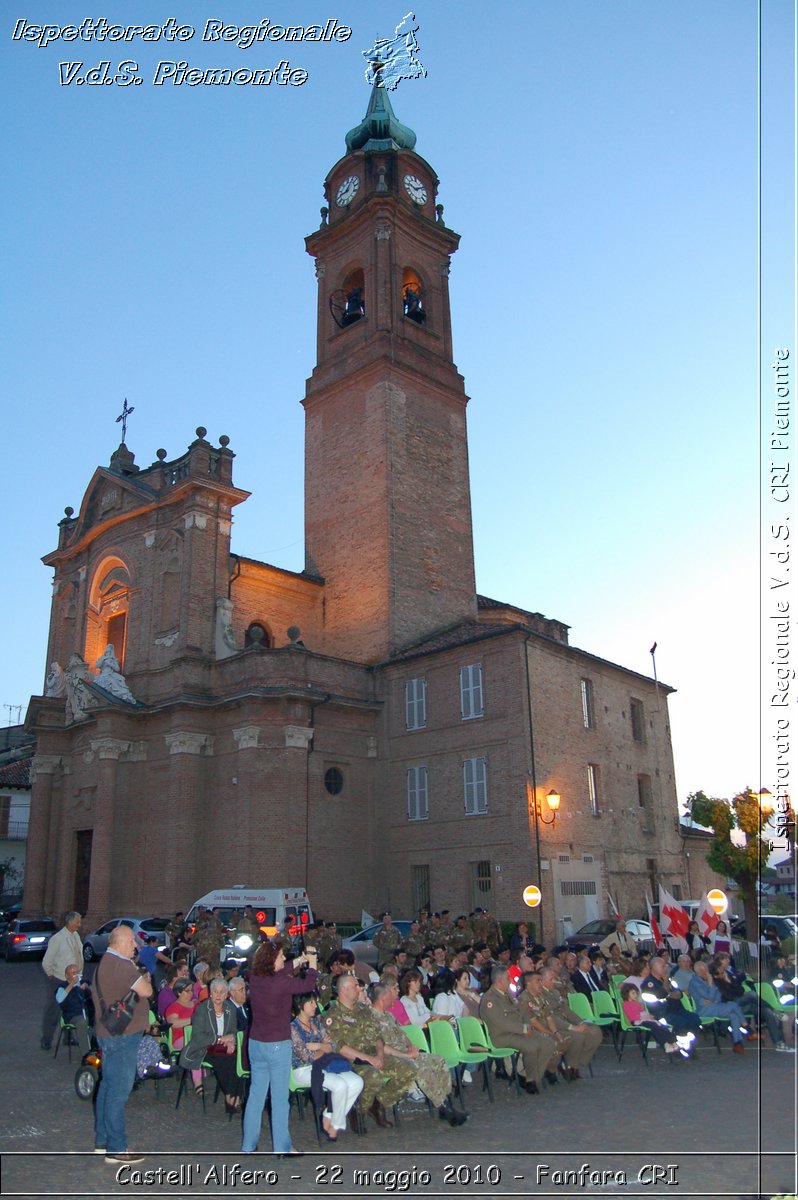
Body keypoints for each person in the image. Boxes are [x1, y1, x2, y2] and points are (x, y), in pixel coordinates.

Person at [241, 940, 318, 1156]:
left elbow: (280, 970)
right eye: (281, 956)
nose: (284, 959)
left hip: (256, 1044)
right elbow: (307, 985)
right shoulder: (282, 984)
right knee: (279, 1098)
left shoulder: (255, 978)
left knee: (256, 1095)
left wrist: (300, 960)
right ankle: (283, 1147)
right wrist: (312, 965)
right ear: (271, 960)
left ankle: (249, 1144)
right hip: (277, 1045)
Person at [322, 974, 417, 1128]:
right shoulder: (334, 1015)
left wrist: (379, 1056)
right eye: (355, 986)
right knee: (374, 1076)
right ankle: (358, 1110)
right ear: (344, 989)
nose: (359, 988)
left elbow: (378, 1037)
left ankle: (378, 1104)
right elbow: (340, 1048)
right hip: (352, 1062)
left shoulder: (363, 1010)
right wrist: (370, 1060)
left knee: (408, 1068)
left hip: (374, 1056)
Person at [92, 923, 152, 1164]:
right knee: (119, 1091)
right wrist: (140, 973)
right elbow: (146, 990)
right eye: (131, 942)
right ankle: (117, 1148)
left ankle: (102, 1140)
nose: (135, 946)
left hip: (108, 1032)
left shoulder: (104, 963)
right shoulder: (121, 965)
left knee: (107, 1087)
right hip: (123, 1036)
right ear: (119, 942)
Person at [369, 980, 467, 1125]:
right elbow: (381, 1047)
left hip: (405, 1053)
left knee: (439, 1061)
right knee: (421, 1068)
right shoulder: (370, 1019)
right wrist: (406, 1055)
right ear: (383, 997)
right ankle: (445, 1109)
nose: (394, 998)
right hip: (390, 1058)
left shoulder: (388, 1016)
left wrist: (411, 1046)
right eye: (391, 994)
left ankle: (445, 1102)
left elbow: (402, 1034)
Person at [290, 992, 364, 1140]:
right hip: (303, 1069)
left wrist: (318, 1046)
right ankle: (333, 1126)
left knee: (357, 1082)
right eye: (311, 1003)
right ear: (300, 1006)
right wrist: (324, 1048)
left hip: (326, 1065)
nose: (315, 1006)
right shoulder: (293, 1028)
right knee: (339, 1085)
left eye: (315, 1002)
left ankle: (329, 1116)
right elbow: (305, 1056)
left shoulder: (317, 1022)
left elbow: (332, 1046)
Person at [480, 965, 555, 1094]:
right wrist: (524, 1029)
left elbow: (523, 1010)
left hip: (518, 1032)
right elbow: (501, 1023)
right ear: (499, 981)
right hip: (502, 1036)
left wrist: (527, 1026)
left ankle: (530, 1076)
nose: (510, 981)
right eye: (507, 978)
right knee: (531, 1046)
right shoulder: (490, 999)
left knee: (548, 1043)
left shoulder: (508, 994)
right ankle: (530, 1080)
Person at [180, 978, 242, 1113]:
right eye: (216, 992)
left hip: (224, 1048)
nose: (219, 995)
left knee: (238, 1059)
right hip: (202, 1048)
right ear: (210, 994)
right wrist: (220, 1039)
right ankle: (230, 1096)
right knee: (224, 1060)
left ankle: (235, 1095)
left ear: (227, 995)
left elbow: (233, 1031)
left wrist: (231, 1040)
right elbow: (198, 1036)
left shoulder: (230, 1009)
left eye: (222, 992)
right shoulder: (202, 1009)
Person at [41, 911, 83, 1050]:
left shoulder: (75, 935)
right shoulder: (58, 938)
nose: (79, 924)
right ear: (70, 922)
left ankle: (68, 1037)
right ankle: (47, 1038)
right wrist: (52, 975)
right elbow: (47, 961)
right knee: (54, 1010)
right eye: (78, 922)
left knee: (73, 1009)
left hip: (75, 980)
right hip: (59, 979)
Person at [688, 960, 747, 1052]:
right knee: (733, 1005)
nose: (707, 972)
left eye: (707, 970)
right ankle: (746, 1026)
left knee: (734, 1015)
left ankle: (737, 1043)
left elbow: (718, 996)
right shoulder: (695, 983)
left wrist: (712, 998)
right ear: (698, 972)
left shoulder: (707, 979)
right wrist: (710, 984)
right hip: (704, 1010)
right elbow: (709, 996)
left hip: (715, 1006)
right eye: (705, 971)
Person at [55, 963, 93, 1055]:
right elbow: (59, 999)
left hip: (87, 1013)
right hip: (72, 1015)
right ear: (66, 976)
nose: (75, 975)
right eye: (73, 973)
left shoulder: (84, 983)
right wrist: (72, 984)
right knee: (82, 1022)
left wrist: (87, 988)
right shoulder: (62, 987)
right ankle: (86, 1054)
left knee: (97, 1022)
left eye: (77, 972)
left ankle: (96, 1050)